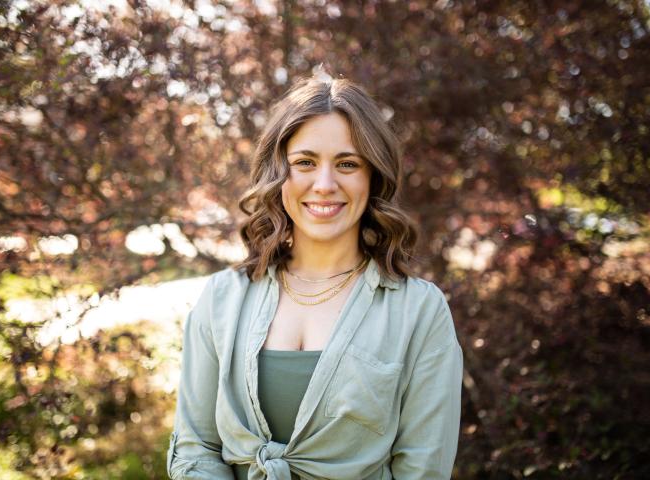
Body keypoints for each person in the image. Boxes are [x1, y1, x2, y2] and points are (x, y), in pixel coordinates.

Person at [167, 75, 464, 479]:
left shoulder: (418, 310)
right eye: (305, 162)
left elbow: (423, 468)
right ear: (278, 173)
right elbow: (195, 448)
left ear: (372, 177)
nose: (325, 185)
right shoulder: (222, 298)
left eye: (347, 164)